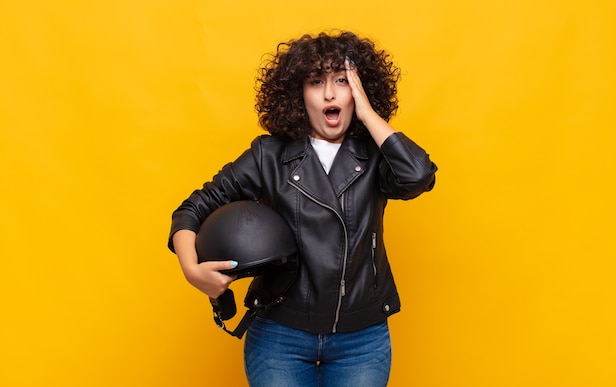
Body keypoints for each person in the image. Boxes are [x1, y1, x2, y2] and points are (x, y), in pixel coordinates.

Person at [168, 30, 437, 387]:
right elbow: (192, 209)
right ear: (299, 95)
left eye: (342, 81)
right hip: (281, 335)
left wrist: (368, 112)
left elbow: (418, 175)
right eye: (316, 82)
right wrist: (191, 269)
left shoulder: (376, 156)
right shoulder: (267, 156)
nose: (330, 93)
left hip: (361, 338)